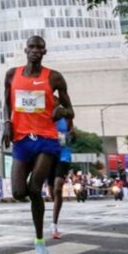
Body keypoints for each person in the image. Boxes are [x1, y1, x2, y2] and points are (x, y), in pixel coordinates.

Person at [2, 35, 74, 254]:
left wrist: (62, 112)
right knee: (18, 192)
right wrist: (7, 124)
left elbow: (70, 109)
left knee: (34, 190)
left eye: (39, 48)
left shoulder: (54, 77)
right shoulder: (12, 74)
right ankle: (39, 235)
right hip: (22, 140)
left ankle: (40, 241)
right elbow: (6, 103)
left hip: (46, 139)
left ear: (44, 52)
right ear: (26, 50)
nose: (35, 51)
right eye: (31, 47)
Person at [51, 98, 75, 239]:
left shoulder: (66, 118)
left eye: (56, 103)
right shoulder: (45, 117)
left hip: (63, 156)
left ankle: (54, 224)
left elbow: (73, 133)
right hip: (48, 155)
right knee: (52, 191)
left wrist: (72, 134)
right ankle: (55, 210)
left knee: (58, 187)